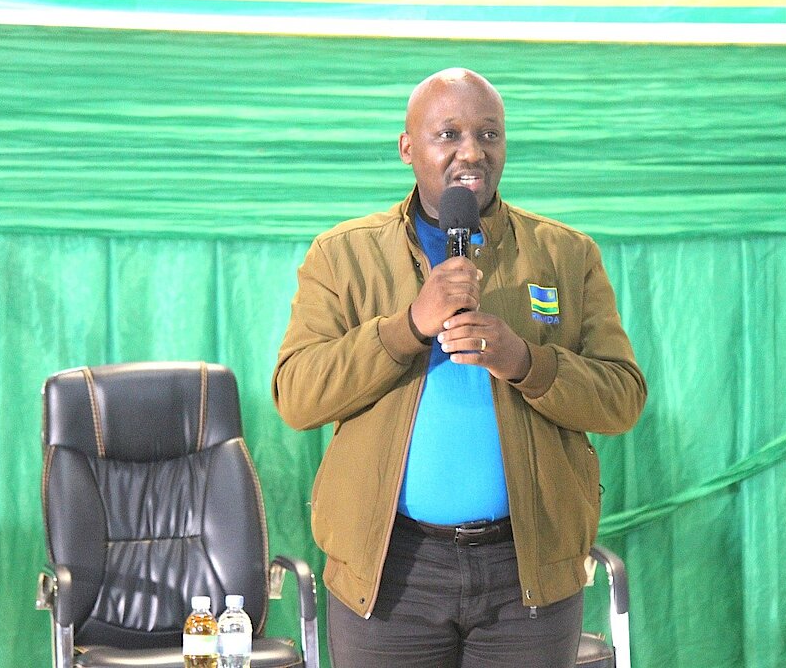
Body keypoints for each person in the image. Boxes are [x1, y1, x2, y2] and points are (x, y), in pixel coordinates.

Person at [272, 68, 646, 668]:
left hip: (528, 570)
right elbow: (298, 395)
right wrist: (406, 327)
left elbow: (622, 397)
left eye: (489, 134)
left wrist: (525, 362)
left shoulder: (566, 254)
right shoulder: (343, 255)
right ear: (407, 147)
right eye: (448, 134)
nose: (472, 152)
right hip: (390, 572)